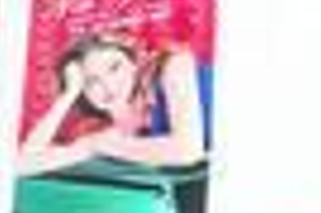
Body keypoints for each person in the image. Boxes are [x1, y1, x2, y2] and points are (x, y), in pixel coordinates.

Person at [17, 32, 208, 177]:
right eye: (91, 81)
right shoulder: (113, 135)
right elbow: (23, 164)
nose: (108, 85)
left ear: (133, 63)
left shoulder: (174, 64)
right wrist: (68, 95)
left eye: (114, 67)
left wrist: (100, 144)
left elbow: (188, 150)